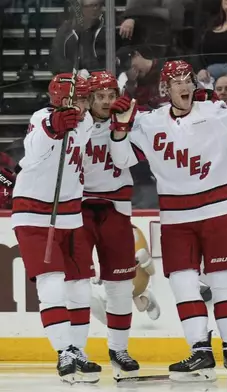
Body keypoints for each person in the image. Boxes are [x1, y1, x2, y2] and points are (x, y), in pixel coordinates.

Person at [107, 60, 227, 382]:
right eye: (176, 81)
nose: (184, 85)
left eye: (187, 79)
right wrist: (119, 128)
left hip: (216, 209)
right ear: (165, 89)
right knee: (183, 283)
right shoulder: (148, 123)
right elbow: (120, 159)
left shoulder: (214, 112)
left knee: (223, 282)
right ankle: (200, 351)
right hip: (175, 217)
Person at [11, 74, 101, 383]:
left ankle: (77, 349)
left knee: (79, 285)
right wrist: (54, 128)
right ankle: (63, 351)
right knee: (51, 283)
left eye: (87, 99)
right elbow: (33, 150)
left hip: (70, 214)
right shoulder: (42, 118)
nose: (84, 104)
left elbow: (92, 123)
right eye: (79, 99)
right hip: (35, 213)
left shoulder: (85, 122)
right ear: (60, 100)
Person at [81, 71, 140, 378]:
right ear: (88, 98)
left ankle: (118, 349)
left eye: (110, 95)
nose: (106, 102)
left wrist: (123, 126)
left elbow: (127, 161)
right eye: (99, 96)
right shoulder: (73, 122)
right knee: (74, 284)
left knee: (120, 286)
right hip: (76, 209)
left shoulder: (131, 119)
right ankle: (75, 352)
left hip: (116, 208)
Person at [90, 224, 161, 327]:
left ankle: (147, 296)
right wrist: (100, 278)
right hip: (119, 283)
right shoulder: (112, 246)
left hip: (134, 283)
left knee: (140, 307)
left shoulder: (137, 245)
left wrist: (145, 261)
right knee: (112, 303)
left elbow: (152, 271)